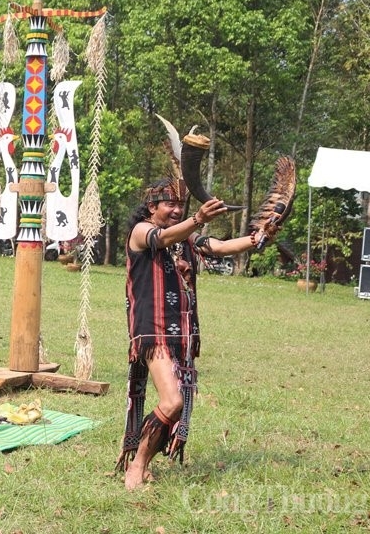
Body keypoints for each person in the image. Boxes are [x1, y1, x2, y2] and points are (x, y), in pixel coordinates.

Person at [116, 177, 277, 490]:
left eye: (181, 205)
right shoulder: (141, 232)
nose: (177, 210)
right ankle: (136, 465)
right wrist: (197, 218)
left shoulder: (185, 240)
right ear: (152, 207)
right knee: (172, 402)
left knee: (173, 405)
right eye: (170, 204)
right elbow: (159, 239)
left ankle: (144, 461)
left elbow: (219, 247)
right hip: (152, 331)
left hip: (181, 334)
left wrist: (258, 238)